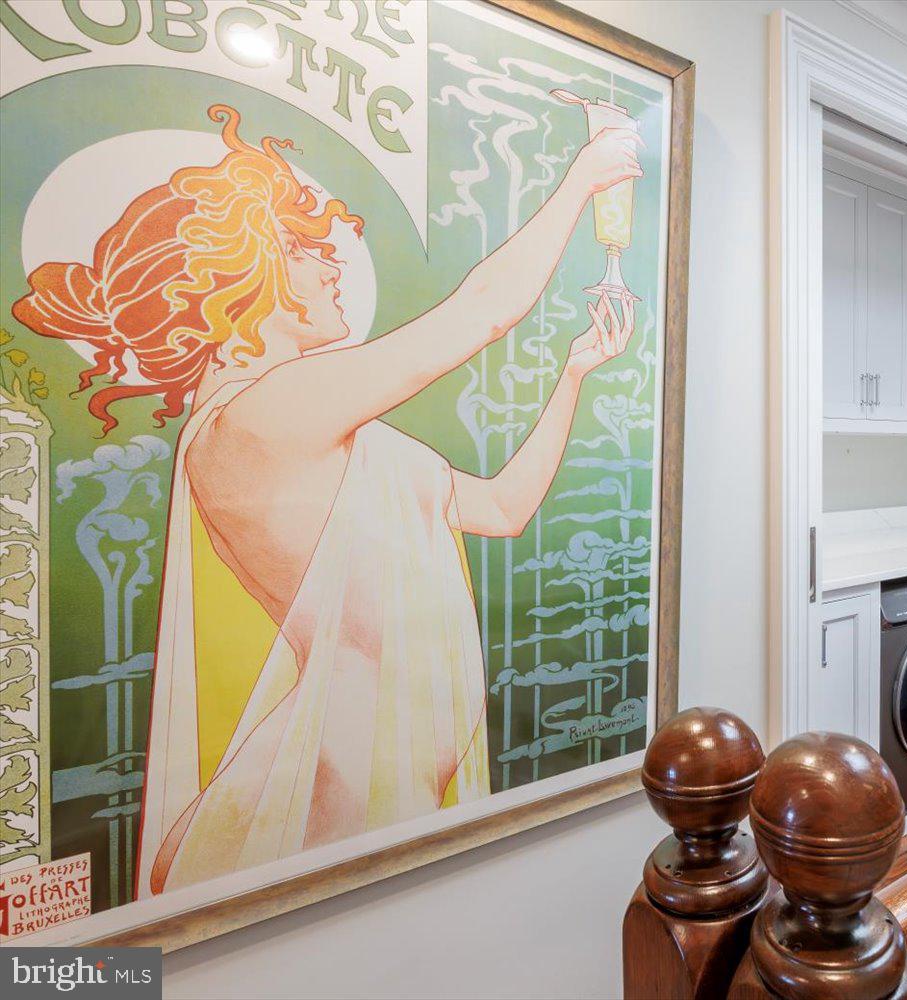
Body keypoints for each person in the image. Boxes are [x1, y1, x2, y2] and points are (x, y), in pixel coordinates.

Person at [12, 104, 642, 897]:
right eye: (307, 251)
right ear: (241, 270)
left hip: (348, 781)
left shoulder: (331, 432)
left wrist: (574, 374)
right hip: (321, 787)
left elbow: (502, 510)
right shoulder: (255, 418)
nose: (332, 265)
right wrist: (584, 177)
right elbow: (480, 313)